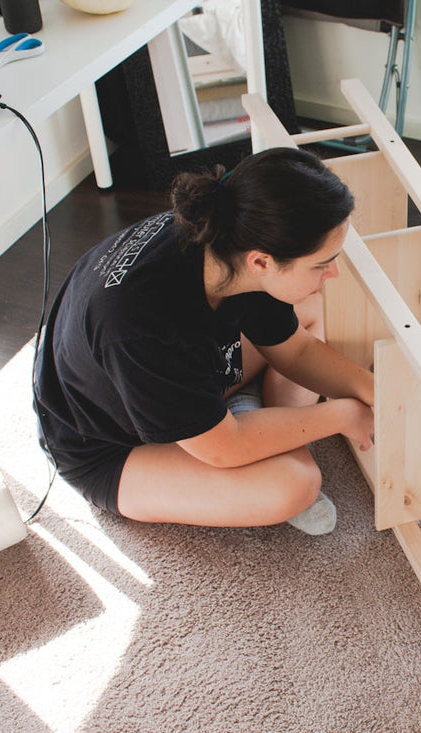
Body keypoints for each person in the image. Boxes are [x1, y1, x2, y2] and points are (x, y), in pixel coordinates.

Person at [33, 147, 374, 534]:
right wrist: (340, 415)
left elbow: (295, 349)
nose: (335, 272)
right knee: (295, 484)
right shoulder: (144, 324)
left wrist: (373, 388)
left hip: (184, 373)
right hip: (107, 448)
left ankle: (243, 417)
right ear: (261, 261)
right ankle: (239, 419)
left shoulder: (231, 237)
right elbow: (225, 448)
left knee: (312, 310)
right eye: (321, 263)